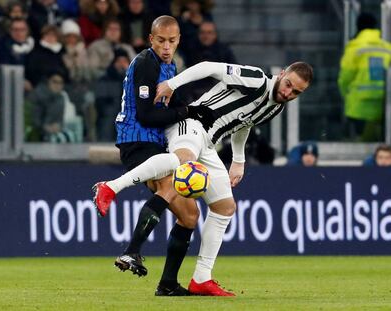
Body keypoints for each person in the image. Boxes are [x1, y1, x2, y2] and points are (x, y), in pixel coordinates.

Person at [94, 60, 313, 295]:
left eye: (296, 92)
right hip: (190, 124)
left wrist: (238, 160)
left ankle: (201, 278)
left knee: (225, 207)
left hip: (208, 144)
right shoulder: (256, 79)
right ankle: (110, 187)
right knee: (183, 161)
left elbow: (245, 123)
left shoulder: (275, 107)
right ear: (281, 74)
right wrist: (172, 84)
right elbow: (209, 67)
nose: (288, 92)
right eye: (288, 84)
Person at [93, 15, 200, 296]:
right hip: (136, 140)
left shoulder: (170, 65)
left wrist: (192, 110)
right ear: (151, 40)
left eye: (172, 41)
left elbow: (172, 106)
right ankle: (131, 252)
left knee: (190, 216)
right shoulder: (146, 63)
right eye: (161, 41)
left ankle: (167, 284)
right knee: (167, 186)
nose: (167, 47)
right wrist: (184, 112)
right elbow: (147, 114)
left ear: (178, 41)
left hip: (155, 143)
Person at [338, 12, 391, 142]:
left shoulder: (354, 47)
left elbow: (346, 77)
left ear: (358, 26)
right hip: (383, 102)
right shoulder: (387, 48)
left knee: (360, 141)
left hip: (359, 104)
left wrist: (345, 94)